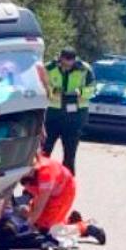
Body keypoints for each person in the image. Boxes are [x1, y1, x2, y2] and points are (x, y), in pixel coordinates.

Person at [18, 143, 106, 245]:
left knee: (46, 232)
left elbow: (39, 206)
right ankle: (66, 221)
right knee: (27, 216)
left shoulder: (45, 173)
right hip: (45, 192)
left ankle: (85, 227)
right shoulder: (23, 166)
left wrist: (26, 226)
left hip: (62, 194)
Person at [42, 46, 94, 175]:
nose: (66, 67)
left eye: (69, 64)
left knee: (70, 154)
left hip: (75, 116)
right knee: (44, 151)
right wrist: (53, 91)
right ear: (60, 59)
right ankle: (37, 183)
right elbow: (41, 85)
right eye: (64, 64)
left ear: (74, 60)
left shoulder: (84, 69)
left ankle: (66, 185)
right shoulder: (49, 68)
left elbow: (92, 90)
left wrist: (80, 92)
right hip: (53, 114)